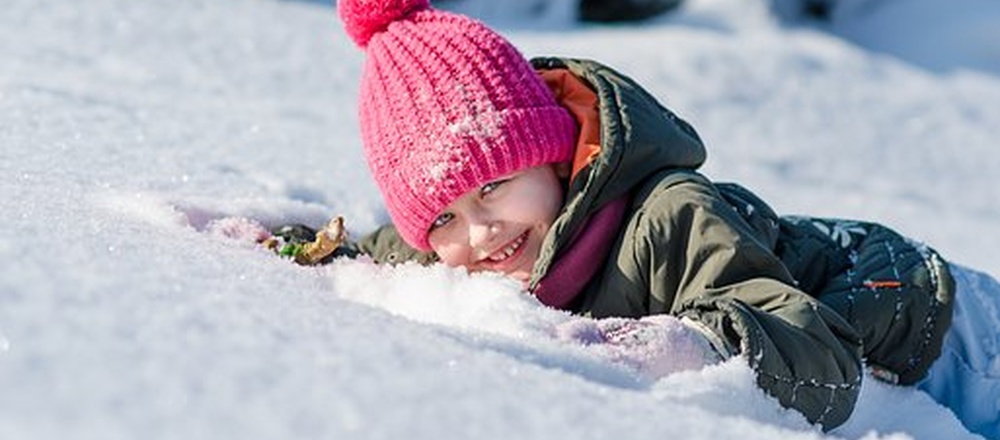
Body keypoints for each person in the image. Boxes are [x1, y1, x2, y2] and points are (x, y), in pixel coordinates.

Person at [328, 0, 996, 435]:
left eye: (497, 186)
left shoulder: (669, 217)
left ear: (556, 160)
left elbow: (820, 358)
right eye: (442, 217)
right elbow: (392, 248)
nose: (480, 231)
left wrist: (687, 348)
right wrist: (313, 248)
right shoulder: (463, 248)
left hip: (937, 326)